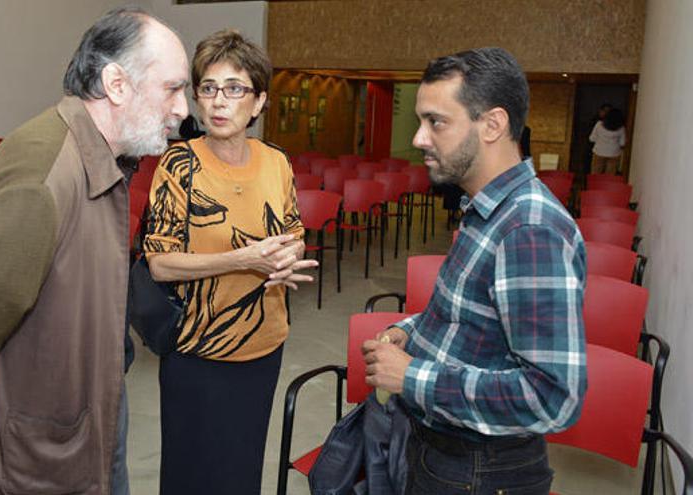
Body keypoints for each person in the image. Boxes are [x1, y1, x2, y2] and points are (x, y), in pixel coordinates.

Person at [0, 8, 189, 494]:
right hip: (28, 454)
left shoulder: (101, 160)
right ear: (117, 84)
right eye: (172, 88)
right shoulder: (41, 178)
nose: (183, 109)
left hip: (86, 419)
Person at [363, 47, 587, 494]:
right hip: (445, 453)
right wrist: (411, 330)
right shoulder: (485, 210)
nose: (420, 138)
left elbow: (552, 398)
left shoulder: (529, 229)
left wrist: (412, 376)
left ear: (493, 124)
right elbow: (465, 316)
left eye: (436, 122)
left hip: (478, 471)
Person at [143, 29, 317, 495]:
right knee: (191, 474)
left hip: (263, 343)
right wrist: (243, 257)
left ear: (258, 102)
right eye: (209, 87)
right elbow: (159, 263)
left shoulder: (276, 161)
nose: (220, 101)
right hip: (197, 348)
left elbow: (294, 235)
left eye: (235, 88)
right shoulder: (179, 164)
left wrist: (286, 257)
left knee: (240, 470)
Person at [590, 107, 626, 174]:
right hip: (614, 154)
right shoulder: (621, 128)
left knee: (595, 176)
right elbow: (622, 143)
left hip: (599, 152)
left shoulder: (599, 124)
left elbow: (592, 138)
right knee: (609, 177)